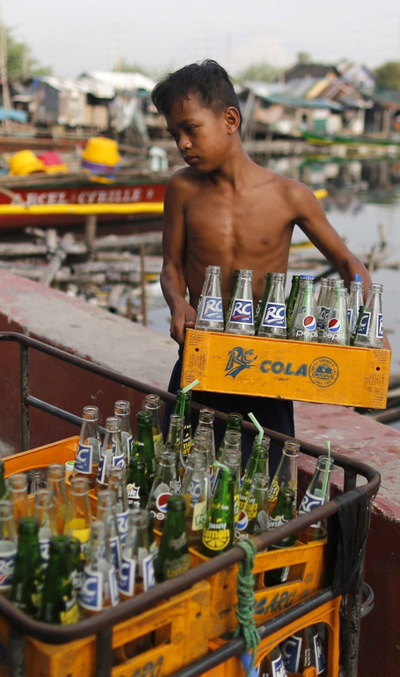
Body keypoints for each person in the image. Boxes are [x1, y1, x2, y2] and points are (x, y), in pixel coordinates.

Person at [152, 60, 381, 470]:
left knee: (264, 472)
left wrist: (368, 327)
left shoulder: (289, 195)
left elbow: (349, 264)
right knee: (182, 467)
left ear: (230, 120)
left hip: (267, 363)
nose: (182, 144)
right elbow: (171, 265)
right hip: (202, 355)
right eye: (175, 135)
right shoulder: (182, 188)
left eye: (191, 129)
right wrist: (178, 304)